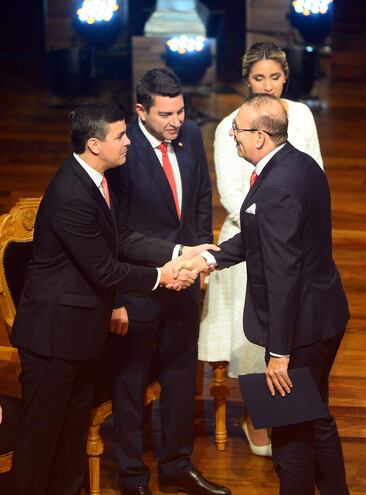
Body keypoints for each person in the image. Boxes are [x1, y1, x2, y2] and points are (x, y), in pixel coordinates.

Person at [9, 103, 206, 495]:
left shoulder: (97, 181)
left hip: (80, 335)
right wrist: (162, 276)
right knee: (41, 442)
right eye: (120, 136)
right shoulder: (72, 196)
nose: (128, 141)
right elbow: (105, 269)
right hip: (52, 339)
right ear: (95, 144)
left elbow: (122, 240)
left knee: (71, 439)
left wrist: (178, 253)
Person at [182, 94, 350, 495]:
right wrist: (209, 257)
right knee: (316, 417)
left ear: (260, 136)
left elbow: (282, 274)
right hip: (323, 317)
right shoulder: (298, 164)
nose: (231, 137)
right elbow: (262, 236)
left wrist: (278, 353)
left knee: (290, 437)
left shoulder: (277, 187)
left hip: (300, 331)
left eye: (236, 130)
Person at [106, 68, 230, 495]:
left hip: (184, 281)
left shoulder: (192, 134)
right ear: (141, 110)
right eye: (165, 114)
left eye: (180, 110)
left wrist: (194, 261)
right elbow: (120, 233)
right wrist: (175, 259)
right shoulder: (121, 148)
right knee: (131, 383)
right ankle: (132, 478)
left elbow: (198, 201)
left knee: (180, 378)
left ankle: (176, 467)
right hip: (140, 284)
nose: (175, 121)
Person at [198, 41, 323, 456]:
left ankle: (292, 422)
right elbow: (233, 193)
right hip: (248, 237)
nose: (267, 84)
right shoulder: (230, 125)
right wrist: (266, 217)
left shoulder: (300, 115)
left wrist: (289, 218)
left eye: (274, 76)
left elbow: (313, 172)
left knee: (290, 326)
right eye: (258, 77)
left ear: (285, 77)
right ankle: (259, 417)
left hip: (290, 234)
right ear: (246, 80)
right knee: (255, 338)